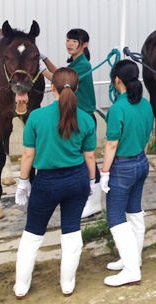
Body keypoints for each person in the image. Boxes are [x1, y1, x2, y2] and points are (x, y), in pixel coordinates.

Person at [14, 68, 97, 299]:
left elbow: (28, 156)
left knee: (32, 234)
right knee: (71, 232)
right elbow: (89, 156)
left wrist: (22, 183)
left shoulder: (36, 117)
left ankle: (21, 287)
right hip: (77, 180)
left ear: (52, 89)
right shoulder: (87, 119)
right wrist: (91, 182)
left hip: (46, 183)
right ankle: (67, 285)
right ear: (77, 89)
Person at [99, 60, 154, 287]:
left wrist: (104, 172)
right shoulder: (146, 104)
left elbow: (111, 145)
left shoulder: (117, 109)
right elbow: (147, 135)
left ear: (117, 80)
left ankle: (131, 269)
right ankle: (133, 259)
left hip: (122, 167)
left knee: (115, 218)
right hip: (141, 162)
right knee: (134, 212)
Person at [41, 28, 101, 218]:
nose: (69, 44)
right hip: (77, 116)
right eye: (67, 40)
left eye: (74, 41)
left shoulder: (82, 65)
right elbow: (60, 73)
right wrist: (44, 58)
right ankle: (87, 198)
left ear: (84, 44)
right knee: (82, 158)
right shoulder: (76, 62)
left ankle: (94, 201)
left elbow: (60, 80)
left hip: (83, 118)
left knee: (86, 158)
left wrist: (40, 69)